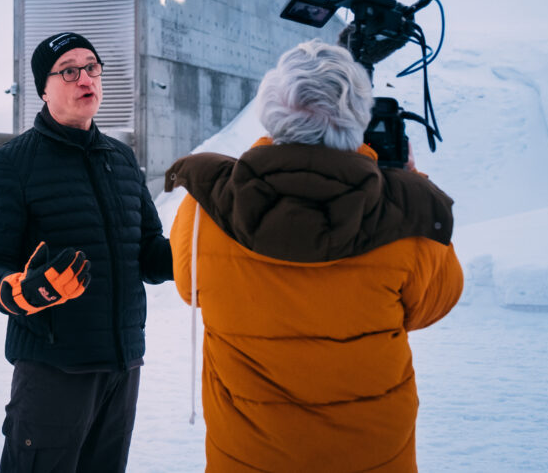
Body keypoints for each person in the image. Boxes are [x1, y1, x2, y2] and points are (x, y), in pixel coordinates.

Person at [165, 38, 464, 472]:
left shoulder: (205, 206)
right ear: (360, 116)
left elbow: (190, 288)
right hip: (373, 458)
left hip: (245, 458)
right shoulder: (407, 215)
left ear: (269, 111)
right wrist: (412, 180)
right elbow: (434, 305)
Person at [0, 31, 173, 472]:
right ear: (44, 88)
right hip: (52, 370)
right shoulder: (11, 163)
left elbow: (150, 255)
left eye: (92, 68)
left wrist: (202, 252)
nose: (86, 79)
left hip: (122, 366)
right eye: (69, 71)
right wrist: (19, 291)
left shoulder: (120, 159)